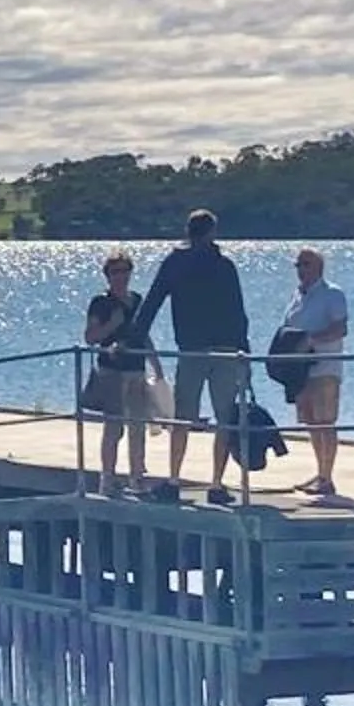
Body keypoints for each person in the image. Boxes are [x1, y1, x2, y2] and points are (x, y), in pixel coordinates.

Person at [130, 208, 250, 504]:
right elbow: (239, 312)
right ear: (212, 232)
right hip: (224, 349)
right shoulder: (224, 266)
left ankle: (173, 480)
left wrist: (132, 339)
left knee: (183, 416)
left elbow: (152, 302)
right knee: (224, 417)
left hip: (192, 349)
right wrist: (244, 351)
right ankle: (217, 484)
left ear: (187, 231)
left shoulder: (175, 263)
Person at [82, 251, 162, 496]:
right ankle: (107, 478)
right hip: (111, 370)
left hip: (136, 369)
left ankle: (136, 477)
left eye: (125, 271)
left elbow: (143, 335)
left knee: (138, 426)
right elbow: (90, 337)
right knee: (114, 427)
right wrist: (111, 327)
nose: (121, 276)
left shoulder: (137, 300)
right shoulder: (100, 302)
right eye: (115, 272)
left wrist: (156, 365)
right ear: (107, 276)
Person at [279, 248, 351, 498]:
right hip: (301, 371)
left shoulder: (333, 294)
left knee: (325, 421)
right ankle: (320, 473)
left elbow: (340, 328)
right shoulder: (297, 296)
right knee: (310, 422)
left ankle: (327, 477)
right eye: (298, 265)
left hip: (325, 368)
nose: (301, 269)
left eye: (306, 264)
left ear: (318, 267)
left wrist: (312, 340)